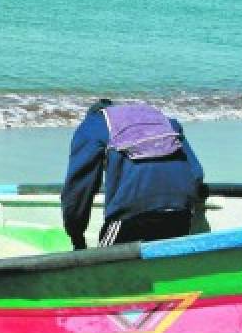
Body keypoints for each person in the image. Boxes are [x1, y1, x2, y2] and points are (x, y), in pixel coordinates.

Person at [61, 99, 203, 249]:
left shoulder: (91, 126)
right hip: (181, 211)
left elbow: (78, 190)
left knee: (102, 262)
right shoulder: (164, 121)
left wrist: (76, 236)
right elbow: (197, 173)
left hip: (130, 216)